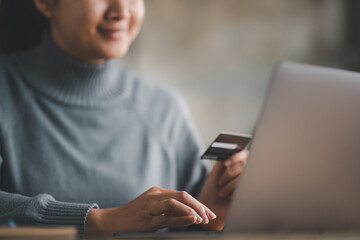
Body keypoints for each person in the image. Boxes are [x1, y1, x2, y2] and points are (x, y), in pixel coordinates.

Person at [0, 0, 249, 236]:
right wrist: (100, 222)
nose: (121, 11)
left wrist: (211, 217)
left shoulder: (165, 109)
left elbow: (186, 230)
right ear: (45, 2)